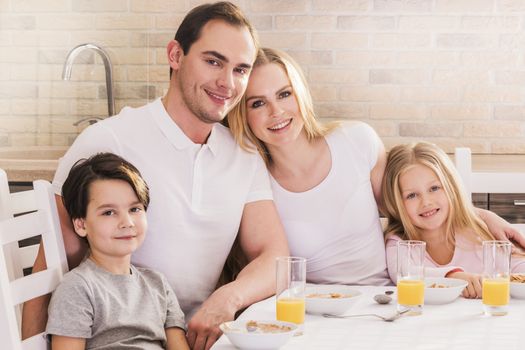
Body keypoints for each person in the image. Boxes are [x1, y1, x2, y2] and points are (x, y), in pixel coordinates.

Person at [23, 3, 289, 350]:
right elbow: (48, 275)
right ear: (175, 55)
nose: (227, 82)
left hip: (199, 339)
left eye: (240, 69)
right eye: (213, 61)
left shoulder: (244, 154)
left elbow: (275, 256)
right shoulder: (108, 140)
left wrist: (228, 298)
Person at [226, 47, 525, 286]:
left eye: (284, 94)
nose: (276, 112)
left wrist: (481, 215)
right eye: (257, 103)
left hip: (384, 295)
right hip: (311, 309)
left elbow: (405, 208)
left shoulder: (355, 140)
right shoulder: (252, 180)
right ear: (243, 113)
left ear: (300, 94)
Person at [46, 153, 189, 350]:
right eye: (109, 212)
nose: (127, 223)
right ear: (81, 224)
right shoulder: (78, 288)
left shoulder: (158, 284)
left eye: (134, 209)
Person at [381, 142, 525, 298]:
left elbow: (517, 268)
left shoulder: (477, 232)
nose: (426, 202)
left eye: (434, 188)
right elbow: (403, 273)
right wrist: (454, 277)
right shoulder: (399, 243)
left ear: (451, 187)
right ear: (397, 204)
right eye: (412, 195)